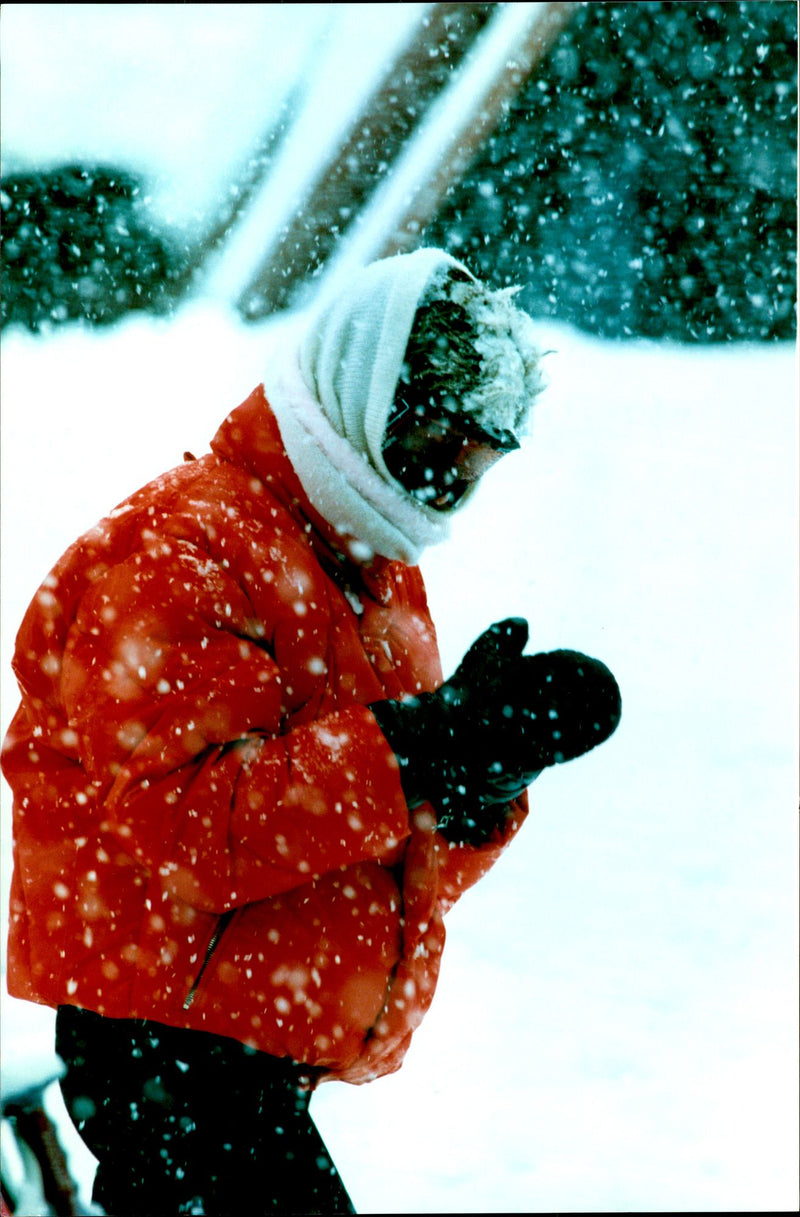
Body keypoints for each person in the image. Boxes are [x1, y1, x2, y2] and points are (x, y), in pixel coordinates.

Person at [2, 247, 621, 1215]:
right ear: (364, 394)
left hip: (240, 1049)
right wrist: (421, 744)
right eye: (428, 455)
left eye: (464, 475)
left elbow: (361, 857)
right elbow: (195, 827)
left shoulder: (365, 566)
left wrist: (474, 781)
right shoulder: (181, 547)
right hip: (158, 1039)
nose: (434, 495)